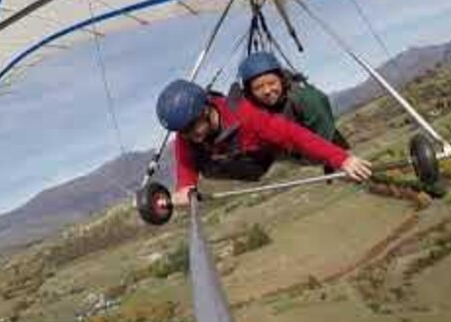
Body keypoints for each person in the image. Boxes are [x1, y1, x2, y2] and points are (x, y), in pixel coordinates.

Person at [156, 79, 373, 206]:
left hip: (264, 153)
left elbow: (293, 134)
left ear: (206, 110)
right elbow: (185, 159)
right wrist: (185, 186)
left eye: (191, 127)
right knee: (201, 158)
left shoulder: (247, 116)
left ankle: (333, 148)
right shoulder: (187, 133)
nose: (187, 134)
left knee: (301, 148)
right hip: (239, 157)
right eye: (181, 131)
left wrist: (342, 159)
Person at [237, 51, 349, 150]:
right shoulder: (253, 107)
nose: (267, 91)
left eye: (272, 83)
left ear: (281, 80)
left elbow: (325, 137)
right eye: (258, 88)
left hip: (321, 144)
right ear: (250, 92)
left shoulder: (307, 99)